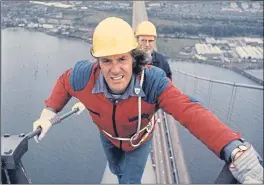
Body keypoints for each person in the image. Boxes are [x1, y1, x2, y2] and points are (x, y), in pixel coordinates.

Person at [32, 17, 263, 184]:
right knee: (115, 168)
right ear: (98, 61)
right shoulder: (85, 77)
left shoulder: (152, 80)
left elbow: (189, 110)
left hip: (138, 141)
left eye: (122, 59)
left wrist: (234, 148)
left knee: (129, 181)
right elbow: (64, 82)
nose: (115, 70)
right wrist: (48, 112)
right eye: (106, 61)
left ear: (133, 57)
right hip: (108, 138)